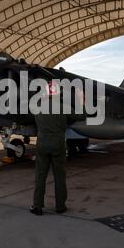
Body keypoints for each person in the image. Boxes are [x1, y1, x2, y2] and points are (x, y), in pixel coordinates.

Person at [30, 86, 85, 216]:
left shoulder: (37, 106)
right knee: (59, 176)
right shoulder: (63, 107)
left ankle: (37, 206)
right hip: (58, 144)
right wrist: (81, 101)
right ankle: (60, 206)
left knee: (40, 176)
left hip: (42, 144)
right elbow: (81, 116)